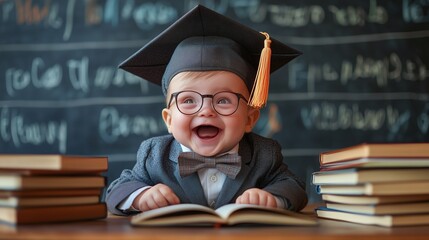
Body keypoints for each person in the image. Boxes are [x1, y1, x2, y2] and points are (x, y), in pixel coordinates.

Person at [106, 5, 308, 215]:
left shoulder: (265, 154)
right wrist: (141, 197)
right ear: (169, 120)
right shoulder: (154, 155)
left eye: (223, 101)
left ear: (250, 119)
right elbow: (115, 191)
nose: (206, 111)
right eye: (188, 101)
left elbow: (295, 188)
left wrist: (273, 199)